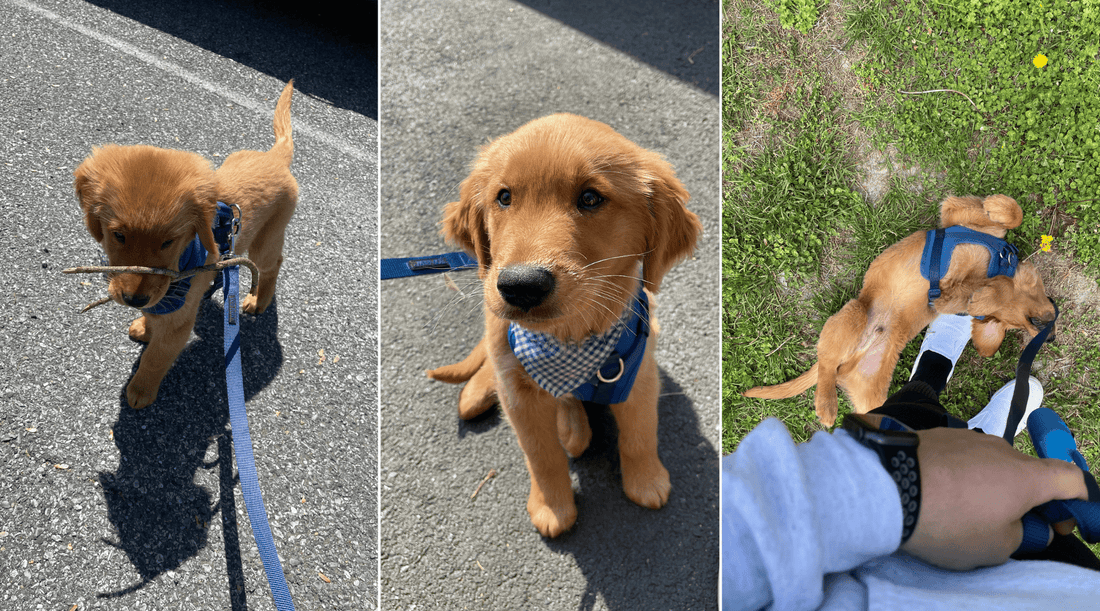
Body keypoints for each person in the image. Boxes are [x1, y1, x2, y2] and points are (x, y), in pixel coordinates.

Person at [723, 315, 1100, 610]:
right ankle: (982, 437)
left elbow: (716, 550)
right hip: (1062, 577)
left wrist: (901, 486)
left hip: (888, 531)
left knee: (914, 411)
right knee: (1022, 510)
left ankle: (933, 374)